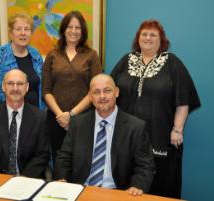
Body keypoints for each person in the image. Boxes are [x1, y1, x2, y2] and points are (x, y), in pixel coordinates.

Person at [110, 19, 201, 198]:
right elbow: (109, 91)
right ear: (138, 38)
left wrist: (178, 129)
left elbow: (183, 98)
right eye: (144, 34)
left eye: (153, 35)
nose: (148, 38)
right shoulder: (126, 60)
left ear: (161, 41)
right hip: (126, 136)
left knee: (161, 187)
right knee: (127, 185)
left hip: (161, 137)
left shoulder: (171, 62)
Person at [54, 74, 155, 195]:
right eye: (96, 92)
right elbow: (64, 157)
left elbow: (145, 165)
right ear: (90, 96)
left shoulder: (136, 127)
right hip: (81, 190)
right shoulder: (77, 124)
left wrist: (137, 186)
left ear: (116, 92)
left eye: (107, 91)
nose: (102, 96)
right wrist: (62, 179)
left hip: (119, 193)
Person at [42, 10, 102, 164]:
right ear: (63, 30)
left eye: (77, 28)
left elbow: (95, 91)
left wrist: (72, 114)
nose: (73, 31)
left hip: (83, 119)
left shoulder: (91, 55)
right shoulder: (52, 55)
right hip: (56, 119)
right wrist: (61, 115)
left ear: (82, 32)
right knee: (59, 161)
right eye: (70, 27)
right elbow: (46, 90)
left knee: (81, 162)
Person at [0, 69, 49, 178]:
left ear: (27, 87)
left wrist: (23, 179)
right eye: (10, 83)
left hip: (27, 181)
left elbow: (42, 155)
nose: (15, 88)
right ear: (3, 86)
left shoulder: (40, 117)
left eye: (20, 84)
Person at [0, 13, 44, 109]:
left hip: (35, 117)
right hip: (4, 118)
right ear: (11, 33)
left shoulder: (35, 55)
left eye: (27, 29)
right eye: (18, 29)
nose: (23, 33)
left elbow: (42, 87)